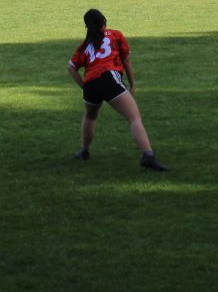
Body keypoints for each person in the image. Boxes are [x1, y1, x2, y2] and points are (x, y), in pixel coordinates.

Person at [67, 9, 168, 171]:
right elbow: (126, 61)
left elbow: (71, 67)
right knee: (134, 117)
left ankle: (84, 151)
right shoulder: (115, 35)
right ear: (104, 22)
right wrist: (132, 84)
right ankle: (148, 155)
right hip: (109, 77)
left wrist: (84, 86)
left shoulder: (86, 44)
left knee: (90, 116)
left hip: (91, 84)